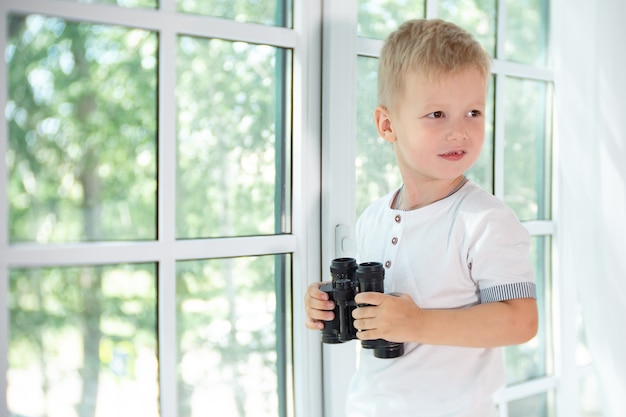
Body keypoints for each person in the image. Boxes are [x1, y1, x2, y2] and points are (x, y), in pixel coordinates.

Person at [304, 19, 538, 417]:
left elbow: (520, 321)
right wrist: (329, 304)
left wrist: (415, 324)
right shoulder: (373, 217)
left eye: (473, 112)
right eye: (436, 114)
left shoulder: (484, 220)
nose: (459, 132)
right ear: (388, 125)